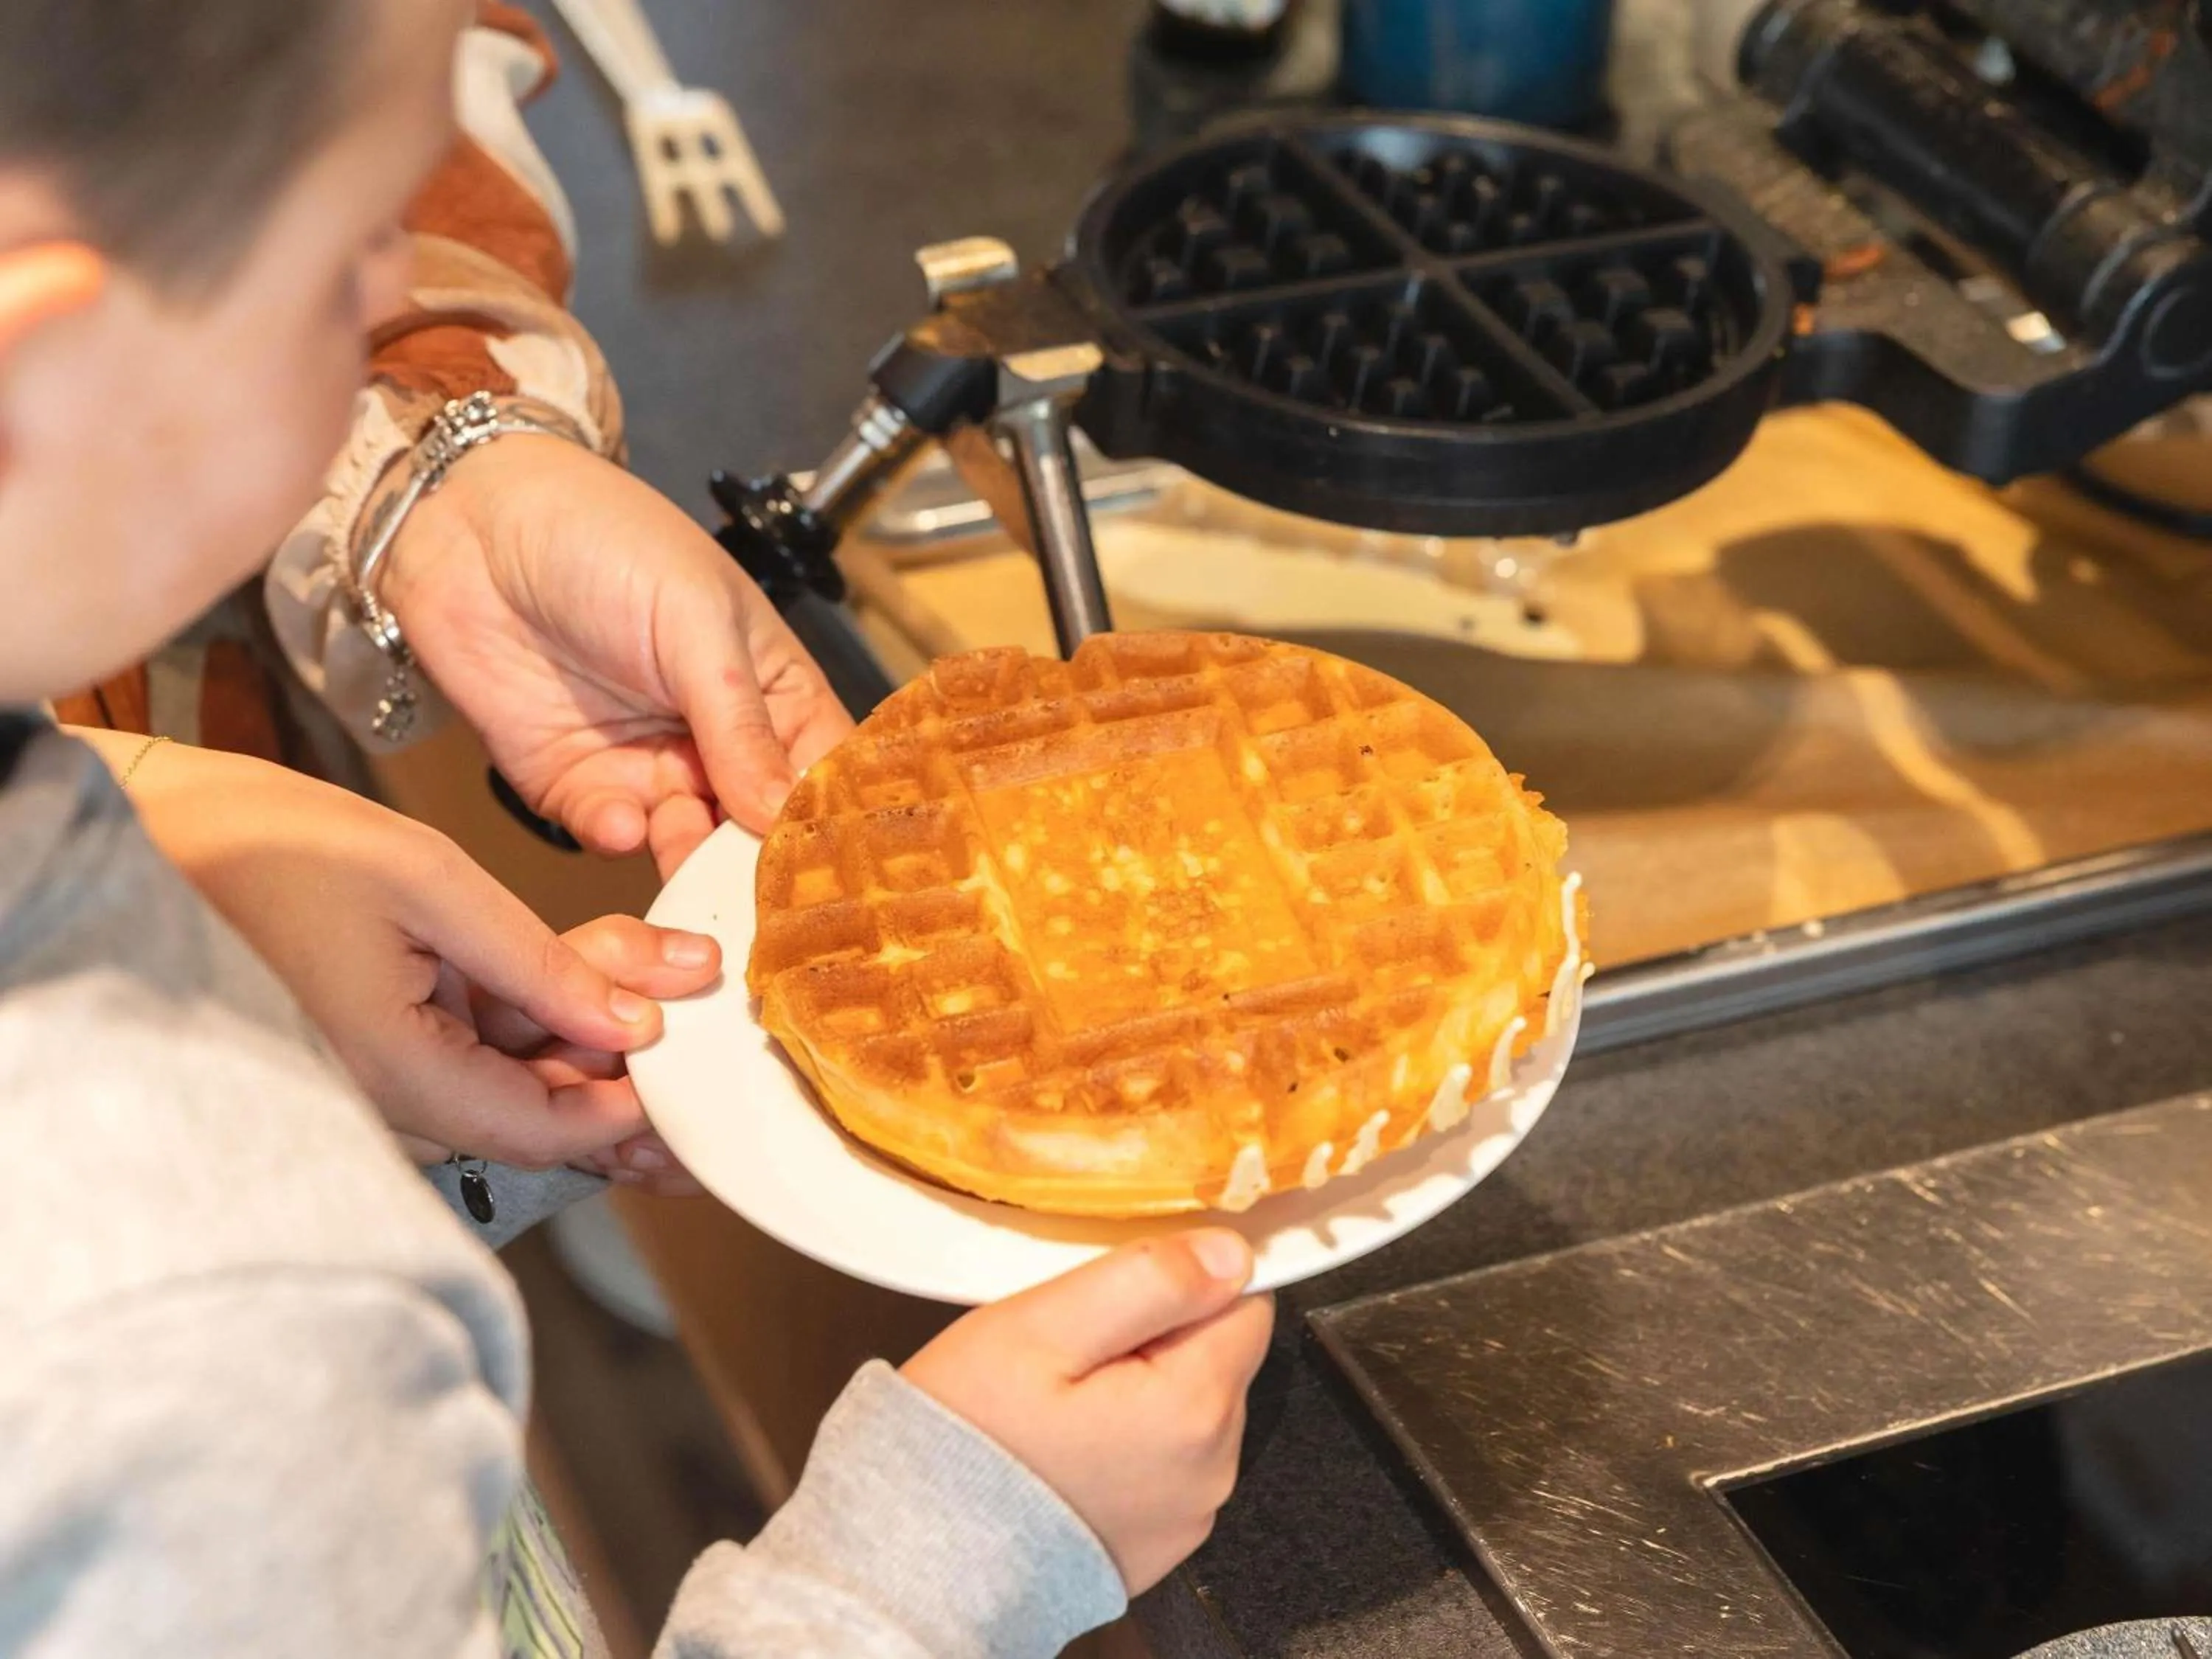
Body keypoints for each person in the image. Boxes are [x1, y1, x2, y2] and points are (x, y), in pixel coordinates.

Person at [0, 3, 1275, 1655]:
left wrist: (179, 859)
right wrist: (926, 1568)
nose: (407, 292)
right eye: (349, 247)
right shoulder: (231, 1351)